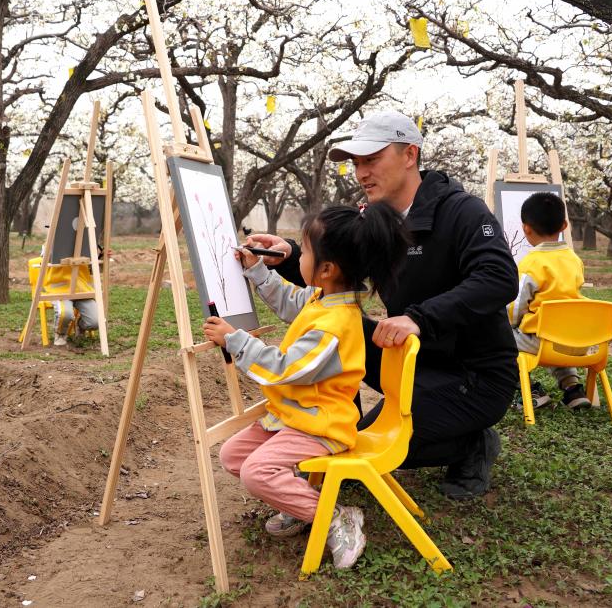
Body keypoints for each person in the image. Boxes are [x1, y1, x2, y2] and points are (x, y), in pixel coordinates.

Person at [248, 112, 519, 500]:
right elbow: (336, 268)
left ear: (410, 154)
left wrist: (419, 319)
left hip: (474, 377)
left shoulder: (462, 211)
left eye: (371, 159)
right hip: (410, 359)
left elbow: (499, 277)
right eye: (356, 163)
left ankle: (472, 444)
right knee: (345, 332)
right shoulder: (374, 219)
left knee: (366, 447)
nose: (361, 173)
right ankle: (329, 428)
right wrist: (289, 254)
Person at [203, 202, 409, 569]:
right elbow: (291, 301)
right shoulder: (323, 299)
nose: (298, 256)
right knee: (233, 456)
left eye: (305, 250)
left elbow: (283, 369)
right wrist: (258, 274)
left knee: (256, 472)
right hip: (295, 416)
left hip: (321, 423)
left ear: (327, 269)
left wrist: (235, 340)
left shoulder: (335, 325)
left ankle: (334, 515)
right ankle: (295, 501)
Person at [509, 192, 590, 410]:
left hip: (541, 341)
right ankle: (573, 388)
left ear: (526, 228)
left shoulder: (530, 264)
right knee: (557, 332)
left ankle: (530, 390)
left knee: (499, 341)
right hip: (576, 340)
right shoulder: (575, 260)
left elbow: (516, 307)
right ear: (564, 225)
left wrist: (507, 323)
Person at [38, 245, 99, 347]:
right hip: (60, 291)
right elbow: (43, 263)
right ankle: (60, 333)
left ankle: (80, 326)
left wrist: (101, 256)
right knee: (65, 314)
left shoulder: (87, 242)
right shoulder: (52, 242)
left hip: (82, 290)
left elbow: (96, 268)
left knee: (96, 321)